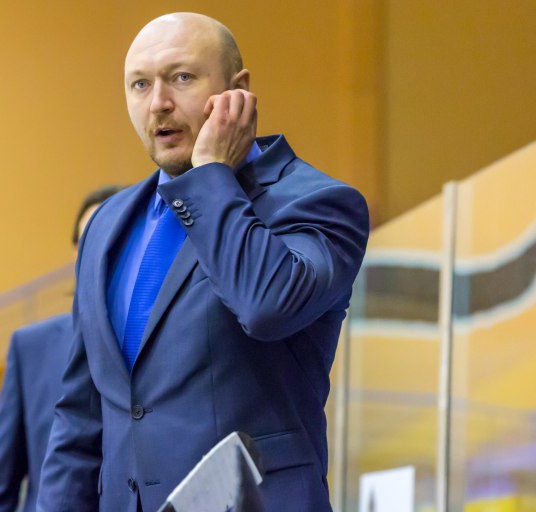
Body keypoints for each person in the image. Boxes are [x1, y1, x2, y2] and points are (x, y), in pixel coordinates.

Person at [37, 12, 370, 512]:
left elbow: (265, 306)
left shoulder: (320, 203)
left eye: (181, 77)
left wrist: (211, 172)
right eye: (140, 84)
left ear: (238, 91)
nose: (158, 102)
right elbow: (80, 419)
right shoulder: (106, 226)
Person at [0, 185, 123, 512]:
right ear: (74, 253)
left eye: (115, 237)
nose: (102, 252)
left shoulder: (163, 343)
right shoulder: (30, 349)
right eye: (90, 240)